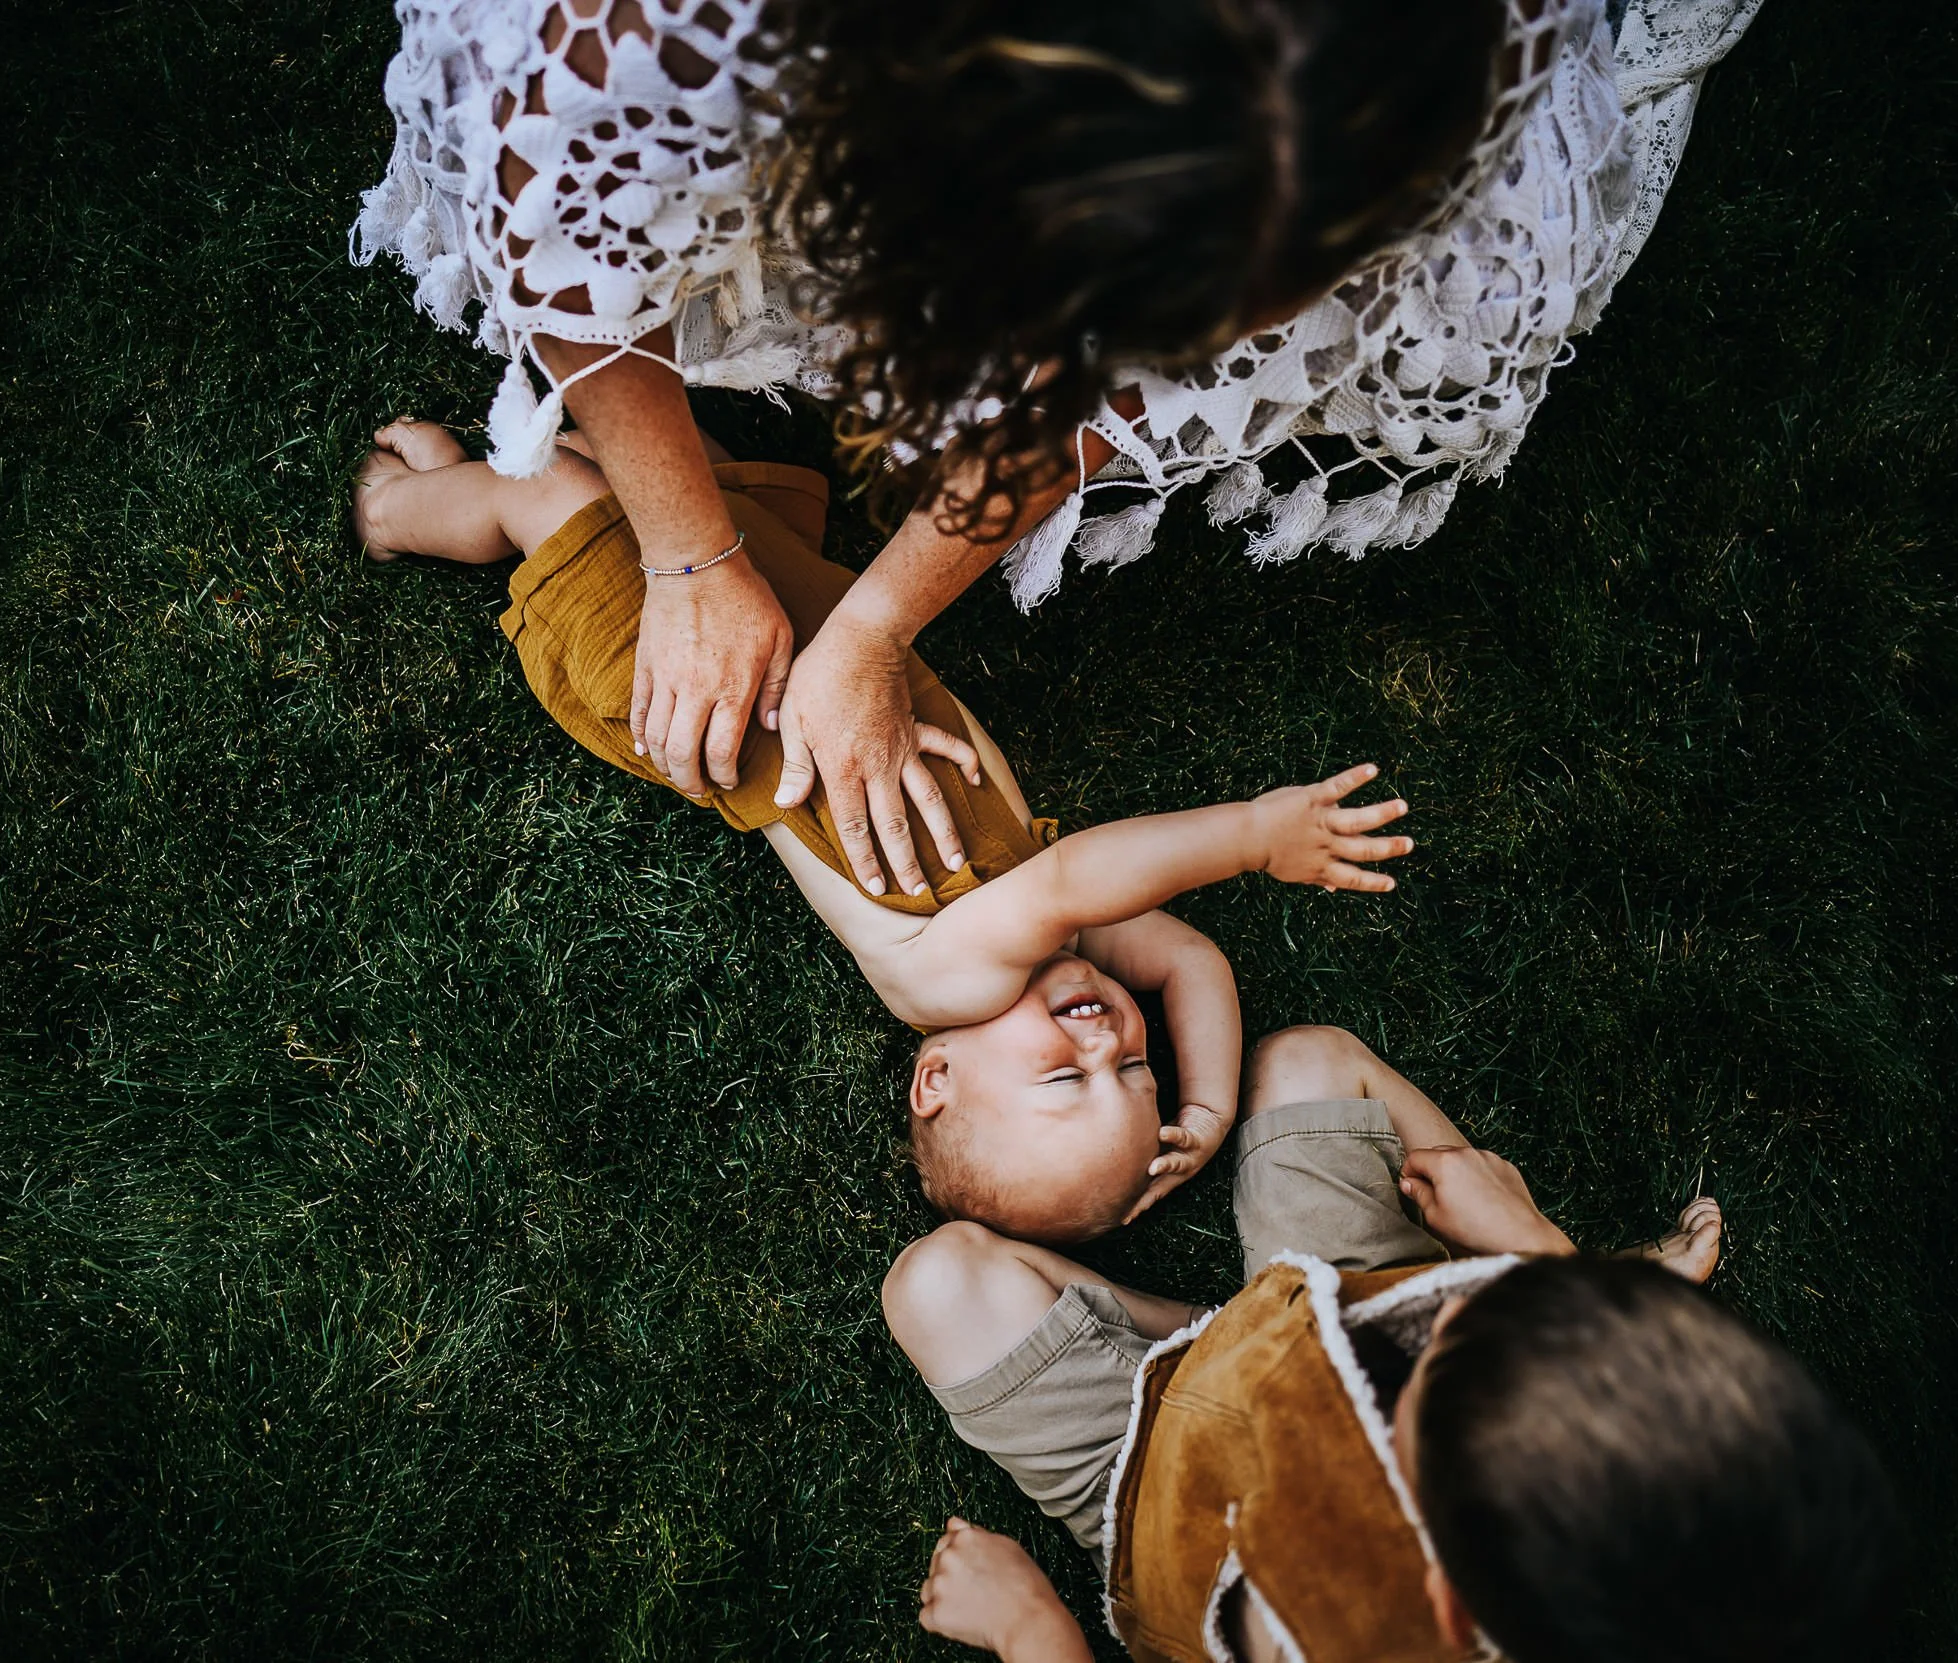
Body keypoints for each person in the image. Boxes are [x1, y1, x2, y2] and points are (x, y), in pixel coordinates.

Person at [350, 0, 1766, 899]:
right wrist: (696, 554)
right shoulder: (658, 47)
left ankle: (457, 506)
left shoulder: (955, 965)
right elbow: (567, 239)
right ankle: (441, 506)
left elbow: (1081, 378)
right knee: (577, 473)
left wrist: (851, 629)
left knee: (571, 517)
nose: (1102, 1052)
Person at [360, 418, 1412, 1239]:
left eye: (1063, 1076)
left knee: (553, 499)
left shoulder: (954, 981)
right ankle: (571, 446)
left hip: (683, 689)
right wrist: (1212, 1106)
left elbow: (1073, 878)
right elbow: (1190, 962)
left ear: (938, 1079)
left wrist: (1253, 836)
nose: (1107, 1043)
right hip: (804, 636)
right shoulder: (1065, 962)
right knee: (705, 490)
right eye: (1137, 1073)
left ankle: (407, 506)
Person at [878, 1024, 1885, 1663]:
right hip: (1319, 1298)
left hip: (1147, 1495)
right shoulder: (1570, 1460)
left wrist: (1028, 1627)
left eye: (1432, 1362)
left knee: (937, 1285)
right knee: (1309, 1063)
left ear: (1448, 1601)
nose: (1456, 1314)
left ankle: (1198, 1336)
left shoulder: (1331, 1635)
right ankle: (1615, 1283)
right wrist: (1536, 1249)